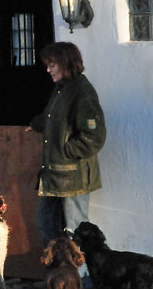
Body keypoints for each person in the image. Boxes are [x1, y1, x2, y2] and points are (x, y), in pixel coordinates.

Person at [26, 42, 106, 246]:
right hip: (53, 175)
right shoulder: (62, 89)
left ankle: (80, 277)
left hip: (74, 177)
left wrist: (66, 150)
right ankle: (59, 273)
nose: (48, 69)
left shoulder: (82, 92)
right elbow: (51, 118)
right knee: (46, 223)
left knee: (75, 231)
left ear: (66, 63)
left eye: (52, 64)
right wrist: (36, 124)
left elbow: (94, 136)